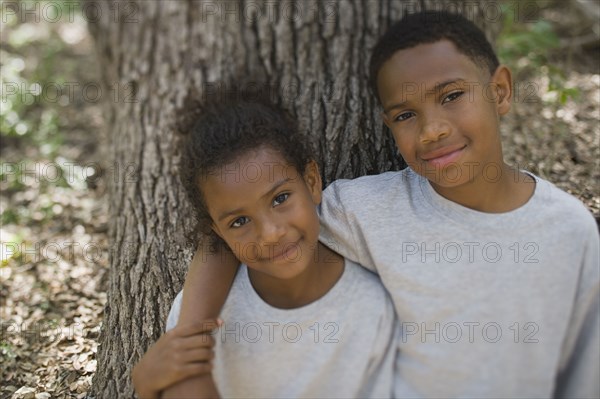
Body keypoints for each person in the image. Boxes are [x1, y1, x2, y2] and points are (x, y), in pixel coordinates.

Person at [166, 10, 600, 399]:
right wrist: (189, 349)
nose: (431, 130)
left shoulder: (570, 229)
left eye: (451, 96)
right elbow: (230, 231)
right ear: (388, 124)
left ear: (501, 91)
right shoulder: (369, 210)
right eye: (406, 115)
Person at [131, 89, 398, 399]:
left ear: (312, 181)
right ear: (217, 232)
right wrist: (147, 386)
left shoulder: (371, 310)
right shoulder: (201, 313)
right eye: (239, 222)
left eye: (280, 198)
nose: (270, 233)